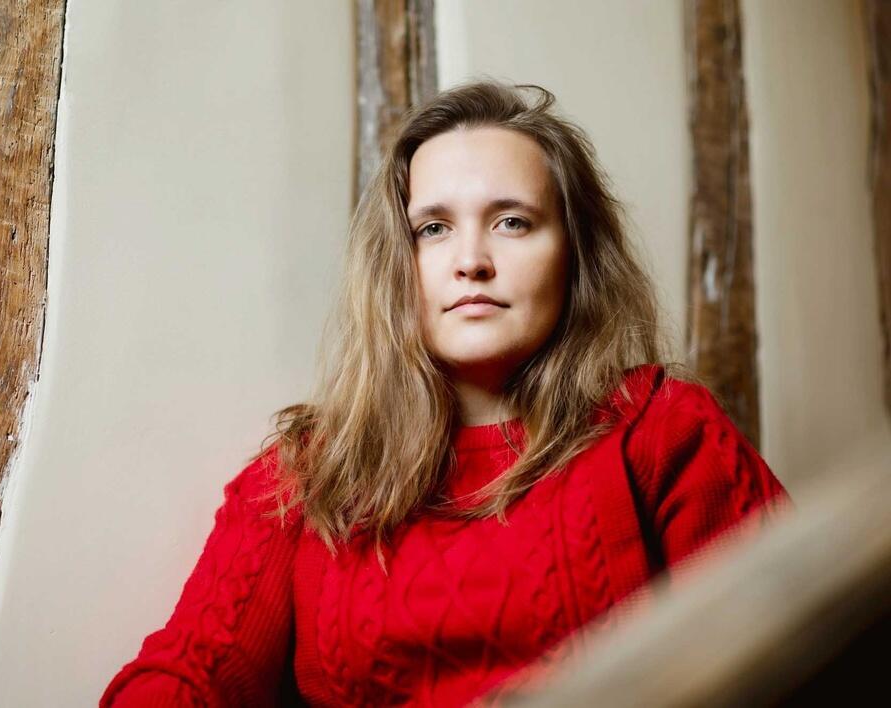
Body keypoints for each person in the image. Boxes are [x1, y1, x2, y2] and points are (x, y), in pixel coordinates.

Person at [100, 81, 791, 707]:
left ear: (574, 253)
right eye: (432, 228)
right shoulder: (305, 472)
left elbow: (787, 649)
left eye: (512, 221)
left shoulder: (659, 429)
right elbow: (193, 671)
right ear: (397, 264)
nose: (470, 260)